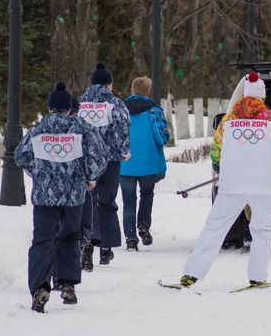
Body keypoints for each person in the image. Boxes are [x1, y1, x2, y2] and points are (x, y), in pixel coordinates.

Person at [177, 72, 271, 289]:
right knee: (262, 231)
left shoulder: (228, 120)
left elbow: (215, 151)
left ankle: (191, 274)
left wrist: (222, 169)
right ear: (262, 98)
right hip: (264, 186)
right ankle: (257, 277)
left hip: (233, 185)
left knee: (214, 228)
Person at [14, 82, 107, 313]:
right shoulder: (82, 129)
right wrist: (90, 176)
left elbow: (20, 156)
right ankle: (67, 284)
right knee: (69, 237)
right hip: (74, 196)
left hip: (44, 198)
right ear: (68, 108)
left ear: (50, 108)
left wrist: (37, 172)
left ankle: (39, 288)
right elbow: (98, 156)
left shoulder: (37, 130)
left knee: (42, 241)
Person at [79, 62, 131, 269]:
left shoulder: (79, 103)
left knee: (89, 201)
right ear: (109, 85)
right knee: (107, 201)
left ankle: (88, 244)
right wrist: (124, 151)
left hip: (85, 160)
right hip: (110, 160)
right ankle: (106, 248)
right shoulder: (115, 104)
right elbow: (121, 130)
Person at [119, 77, 170, 251]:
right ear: (148, 92)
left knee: (128, 201)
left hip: (125, 164)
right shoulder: (154, 111)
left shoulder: (120, 111)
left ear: (132, 91)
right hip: (148, 163)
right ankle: (143, 224)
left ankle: (131, 238)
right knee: (147, 195)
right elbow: (161, 136)